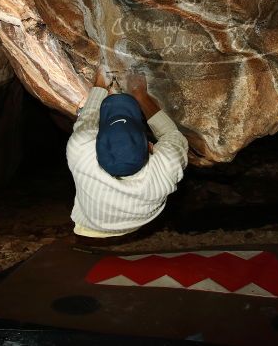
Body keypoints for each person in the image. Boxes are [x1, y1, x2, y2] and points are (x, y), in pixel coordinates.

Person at [65, 67, 189, 243]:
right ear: (150, 146)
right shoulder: (167, 166)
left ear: (96, 141)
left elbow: (87, 118)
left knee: (82, 117)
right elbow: (171, 135)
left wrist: (100, 84)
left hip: (89, 225)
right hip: (138, 221)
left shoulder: (81, 147)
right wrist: (140, 95)